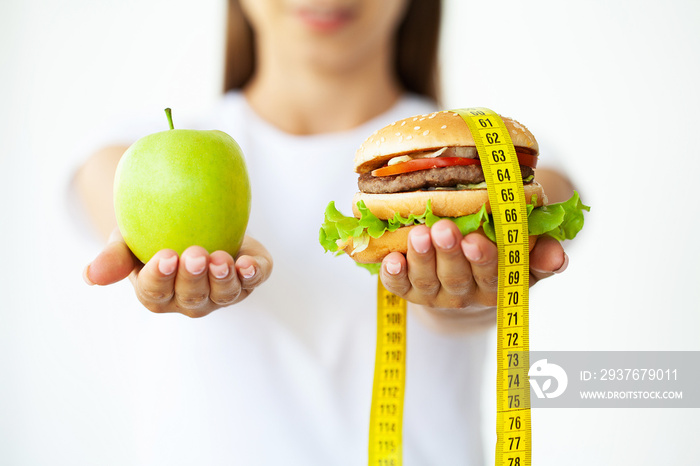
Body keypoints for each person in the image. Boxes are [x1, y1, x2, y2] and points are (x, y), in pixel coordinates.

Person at [76, 0, 573, 464]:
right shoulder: (122, 158)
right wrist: (162, 259)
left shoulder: (513, 160)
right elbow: (115, 210)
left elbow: (545, 197)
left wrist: (468, 300)